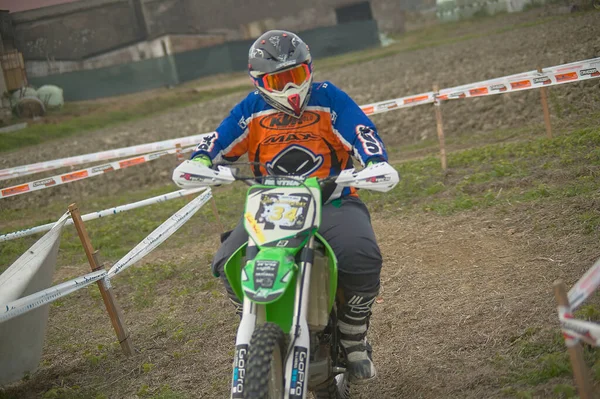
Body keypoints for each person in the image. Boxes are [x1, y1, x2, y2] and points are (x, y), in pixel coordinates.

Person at [188, 30, 395, 383]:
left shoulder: (329, 98)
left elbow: (361, 131)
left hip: (332, 200)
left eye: (295, 77)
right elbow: (217, 140)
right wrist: (199, 161)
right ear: (259, 82)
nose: (289, 89)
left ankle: (352, 334)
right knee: (228, 262)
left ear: (309, 69)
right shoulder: (251, 109)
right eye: (277, 81)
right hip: (273, 207)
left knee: (361, 255)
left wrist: (375, 162)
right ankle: (255, 318)